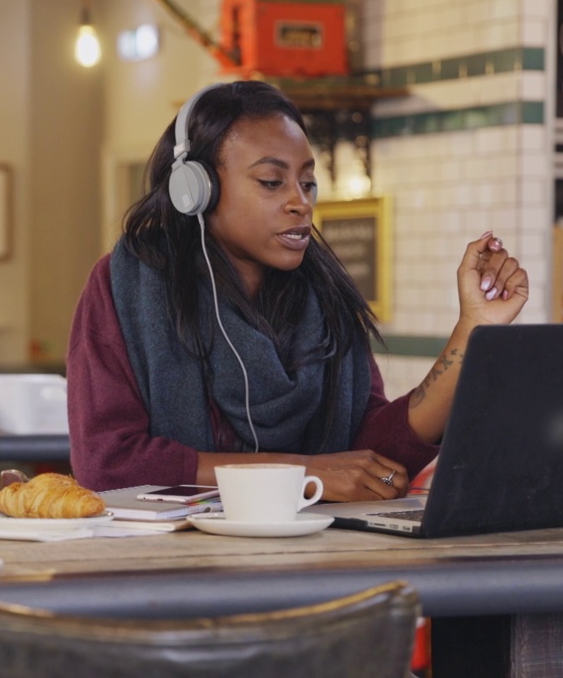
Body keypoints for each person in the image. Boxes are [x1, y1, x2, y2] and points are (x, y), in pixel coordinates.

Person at [66, 81, 529, 502]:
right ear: (197, 190)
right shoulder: (123, 288)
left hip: (317, 558)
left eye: (307, 183)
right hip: (177, 568)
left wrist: (471, 331)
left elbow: (371, 458)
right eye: (272, 182)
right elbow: (109, 462)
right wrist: (303, 473)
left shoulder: (325, 297)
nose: (300, 202)